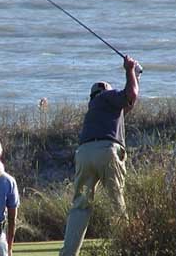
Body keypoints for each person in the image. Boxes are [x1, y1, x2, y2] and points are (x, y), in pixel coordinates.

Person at [60, 55, 140, 256]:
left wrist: (135, 75)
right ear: (106, 91)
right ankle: (126, 250)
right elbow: (131, 95)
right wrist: (129, 69)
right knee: (117, 203)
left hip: (85, 154)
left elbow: (129, 103)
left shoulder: (96, 108)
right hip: (106, 152)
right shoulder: (107, 96)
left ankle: (68, 253)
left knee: (80, 207)